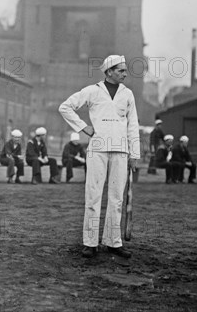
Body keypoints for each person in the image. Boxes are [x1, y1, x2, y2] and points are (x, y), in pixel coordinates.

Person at [58, 55, 140, 260]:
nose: (125, 73)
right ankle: (90, 242)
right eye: (121, 70)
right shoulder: (92, 90)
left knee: (116, 199)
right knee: (93, 196)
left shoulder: (128, 94)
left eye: (125, 70)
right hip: (97, 150)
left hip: (121, 151)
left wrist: (135, 154)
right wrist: (83, 127)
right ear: (109, 71)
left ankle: (114, 242)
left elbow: (133, 125)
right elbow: (65, 107)